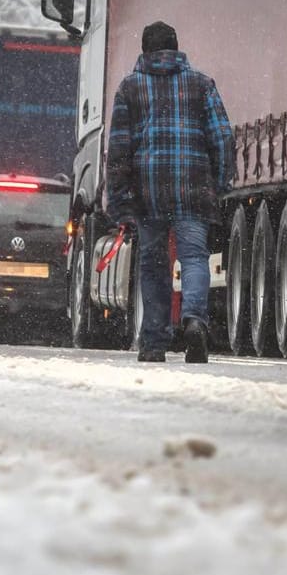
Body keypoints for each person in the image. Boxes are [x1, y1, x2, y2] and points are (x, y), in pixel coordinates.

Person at [107, 21, 234, 364]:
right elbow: (223, 138)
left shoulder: (129, 89)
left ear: (145, 51)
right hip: (193, 188)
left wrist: (120, 202)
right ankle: (194, 320)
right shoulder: (201, 84)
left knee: (153, 265)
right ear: (177, 49)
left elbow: (118, 149)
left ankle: (154, 341)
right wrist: (219, 183)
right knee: (194, 257)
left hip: (148, 193)